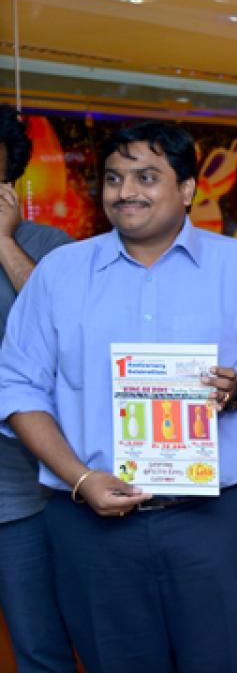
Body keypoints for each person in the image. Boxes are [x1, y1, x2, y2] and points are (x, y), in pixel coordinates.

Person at [0, 121, 237, 673]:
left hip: (220, 524)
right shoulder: (60, 273)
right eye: (114, 177)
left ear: (185, 189)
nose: (126, 190)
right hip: (93, 527)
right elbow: (17, 386)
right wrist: (80, 478)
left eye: (146, 176)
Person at [0, 104, 76, 673]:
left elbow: (63, 328)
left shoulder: (48, 247)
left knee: (39, 649)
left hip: (19, 497)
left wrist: (3, 242)